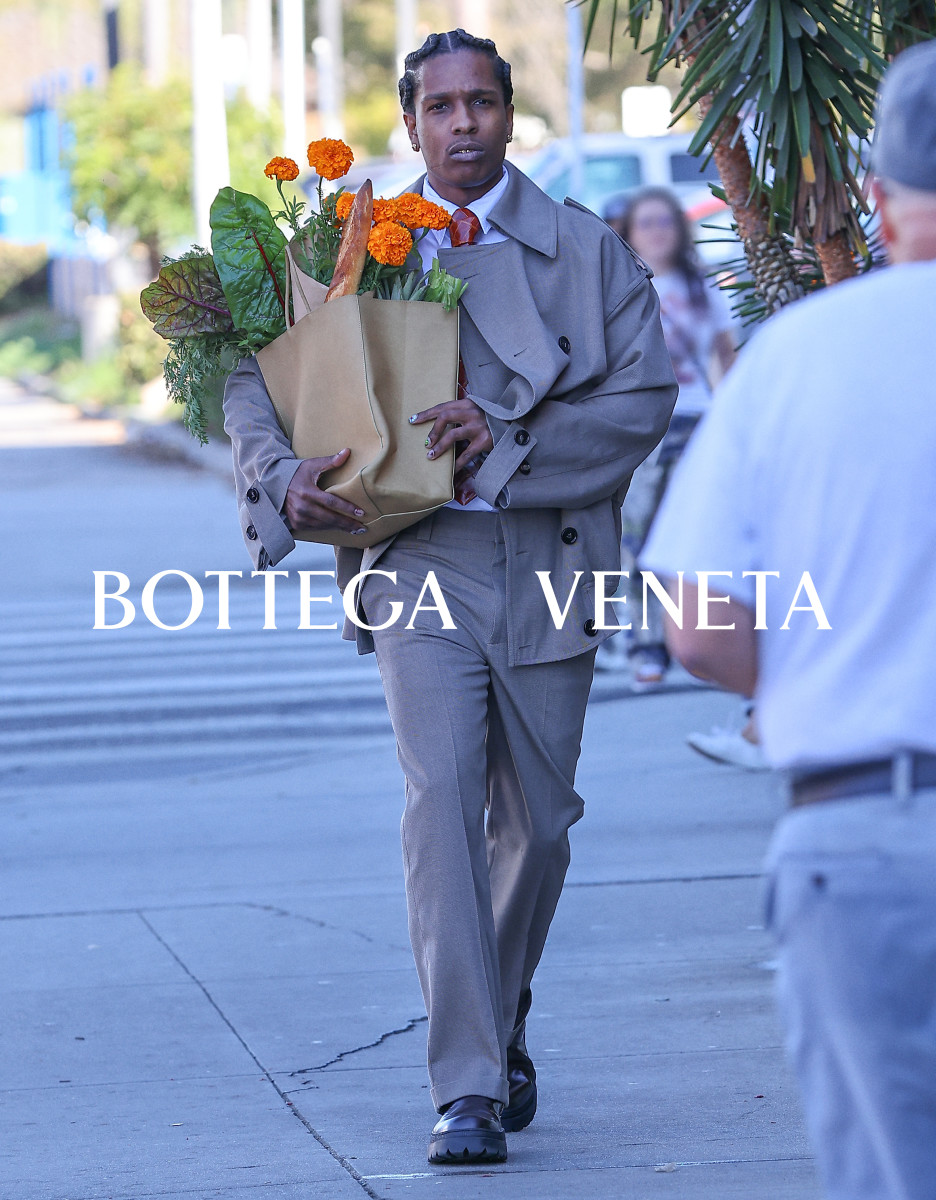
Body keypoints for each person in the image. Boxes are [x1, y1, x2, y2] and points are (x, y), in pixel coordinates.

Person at [222, 30, 677, 1167]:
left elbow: (644, 397)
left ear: (510, 115)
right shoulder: (346, 243)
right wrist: (284, 481)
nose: (463, 122)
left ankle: (499, 1004)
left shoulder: (584, 250)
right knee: (440, 806)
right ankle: (466, 1083)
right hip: (415, 560)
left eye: (483, 102)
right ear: (412, 123)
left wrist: (511, 437)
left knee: (541, 826)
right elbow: (252, 374)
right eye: (441, 106)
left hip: (550, 554)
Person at [640, 41, 936, 1200]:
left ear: (877, 200)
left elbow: (699, 627)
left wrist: (825, 674)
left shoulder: (796, 357)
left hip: (862, 837)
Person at [604, 186, 735, 690]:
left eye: (666, 221)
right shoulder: (618, 289)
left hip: (698, 424)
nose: (658, 231)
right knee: (637, 539)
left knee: (692, 536)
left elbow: (725, 360)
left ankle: (697, 641)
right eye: (647, 223)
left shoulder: (706, 289)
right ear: (630, 233)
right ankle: (646, 642)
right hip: (640, 429)